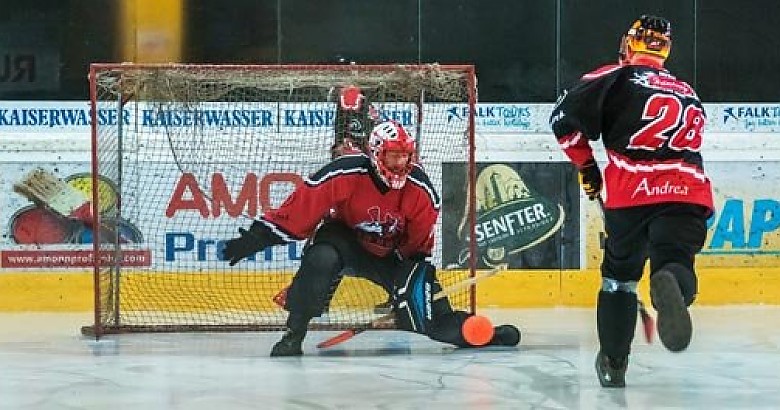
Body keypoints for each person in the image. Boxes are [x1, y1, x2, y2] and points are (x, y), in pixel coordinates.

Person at [223, 120, 521, 356]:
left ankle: (483, 333)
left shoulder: (421, 192)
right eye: (393, 156)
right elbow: (303, 208)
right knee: (321, 256)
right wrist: (258, 237)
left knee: (425, 312)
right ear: (376, 153)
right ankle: (294, 333)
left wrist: (408, 287)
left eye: (405, 157)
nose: (399, 164)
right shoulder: (344, 172)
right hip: (345, 242)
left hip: (391, 256)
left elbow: (417, 247)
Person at [549, 15, 714, 387]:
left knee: (619, 281)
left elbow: (562, 119)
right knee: (675, 260)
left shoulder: (614, 76)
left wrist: (587, 168)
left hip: (632, 194)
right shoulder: (685, 89)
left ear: (629, 44)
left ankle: (614, 363)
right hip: (688, 191)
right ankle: (669, 279)